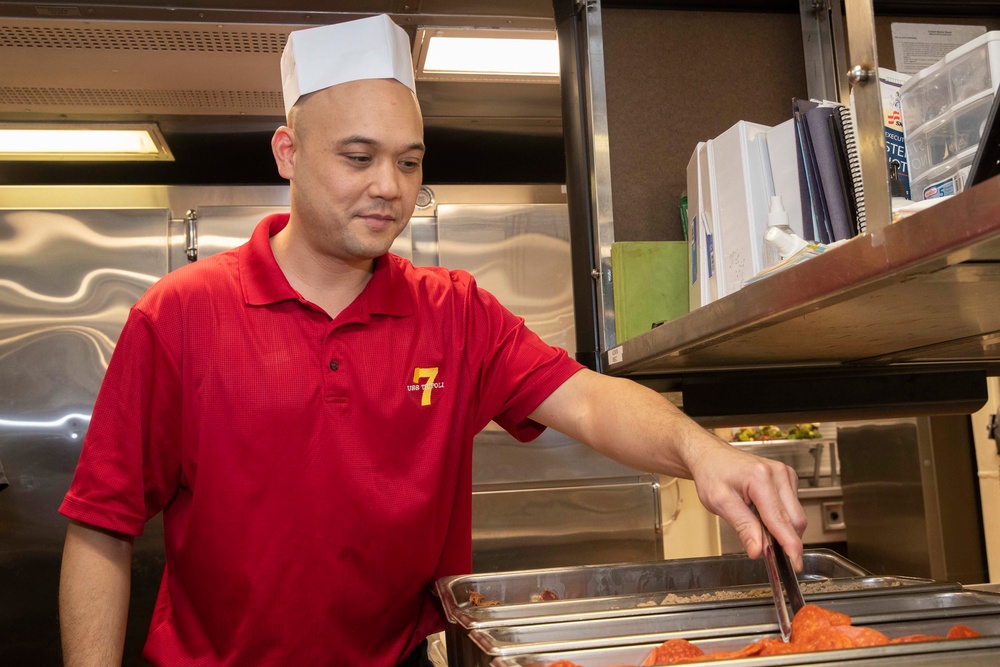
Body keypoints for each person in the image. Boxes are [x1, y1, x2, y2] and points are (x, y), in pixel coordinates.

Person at [58, 14, 807, 667]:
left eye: (409, 161)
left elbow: (590, 401)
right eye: (359, 157)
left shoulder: (454, 314)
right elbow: (101, 525)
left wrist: (702, 450)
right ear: (288, 152)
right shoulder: (181, 314)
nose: (390, 185)